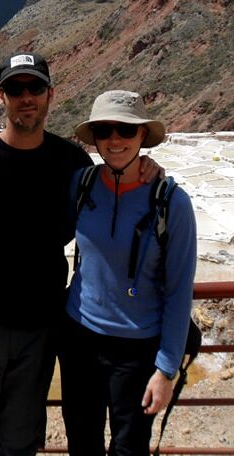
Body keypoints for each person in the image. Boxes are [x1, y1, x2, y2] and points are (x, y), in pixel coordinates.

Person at [0, 54, 160, 456]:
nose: (27, 98)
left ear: (50, 95)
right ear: (1, 96)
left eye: (35, 88)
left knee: (21, 439)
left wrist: (148, 167)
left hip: (41, 327)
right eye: (17, 89)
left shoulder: (72, 163)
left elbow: (116, 184)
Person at [58, 90, 197, 456]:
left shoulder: (171, 203)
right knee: (82, 443)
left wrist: (166, 370)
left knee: (129, 448)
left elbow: (180, 291)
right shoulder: (82, 184)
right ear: (95, 139)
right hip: (79, 339)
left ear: (142, 137)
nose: (115, 140)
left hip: (137, 350)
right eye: (104, 131)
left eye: (126, 130)